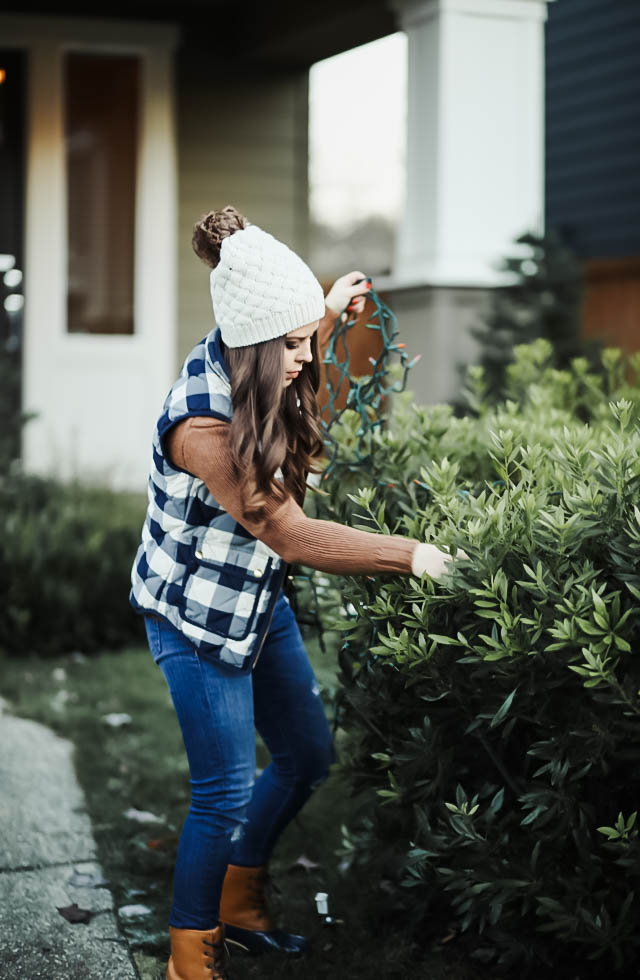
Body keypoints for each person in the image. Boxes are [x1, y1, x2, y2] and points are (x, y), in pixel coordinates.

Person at [130, 206, 465, 980]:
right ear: (250, 347)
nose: (303, 359)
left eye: (305, 342)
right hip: (194, 616)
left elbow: (286, 333)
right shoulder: (200, 424)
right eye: (291, 348)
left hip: (252, 597)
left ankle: (238, 906)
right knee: (222, 792)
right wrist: (412, 555)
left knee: (308, 756)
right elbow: (289, 533)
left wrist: (324, 310)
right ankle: (189, 960)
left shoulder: (261, 351)